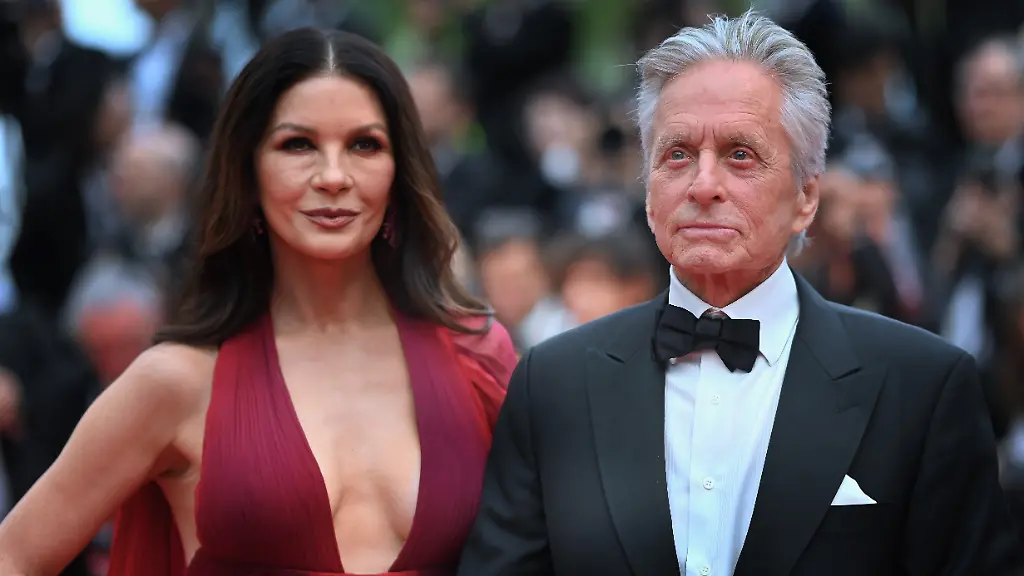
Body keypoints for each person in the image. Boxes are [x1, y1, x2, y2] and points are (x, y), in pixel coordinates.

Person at [458, 11, 1024, 576]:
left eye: (740, 155)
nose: (703, 185)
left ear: (806, 197)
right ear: (649, 191)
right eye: (677, 154)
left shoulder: (921, 387)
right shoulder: (552, 384)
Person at [0, 27, 516, 576]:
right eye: (298, 145)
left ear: (399, 170)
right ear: (247, 169)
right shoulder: (175, 382)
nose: (334, 176)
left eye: (365, 144)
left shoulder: (478, 359)